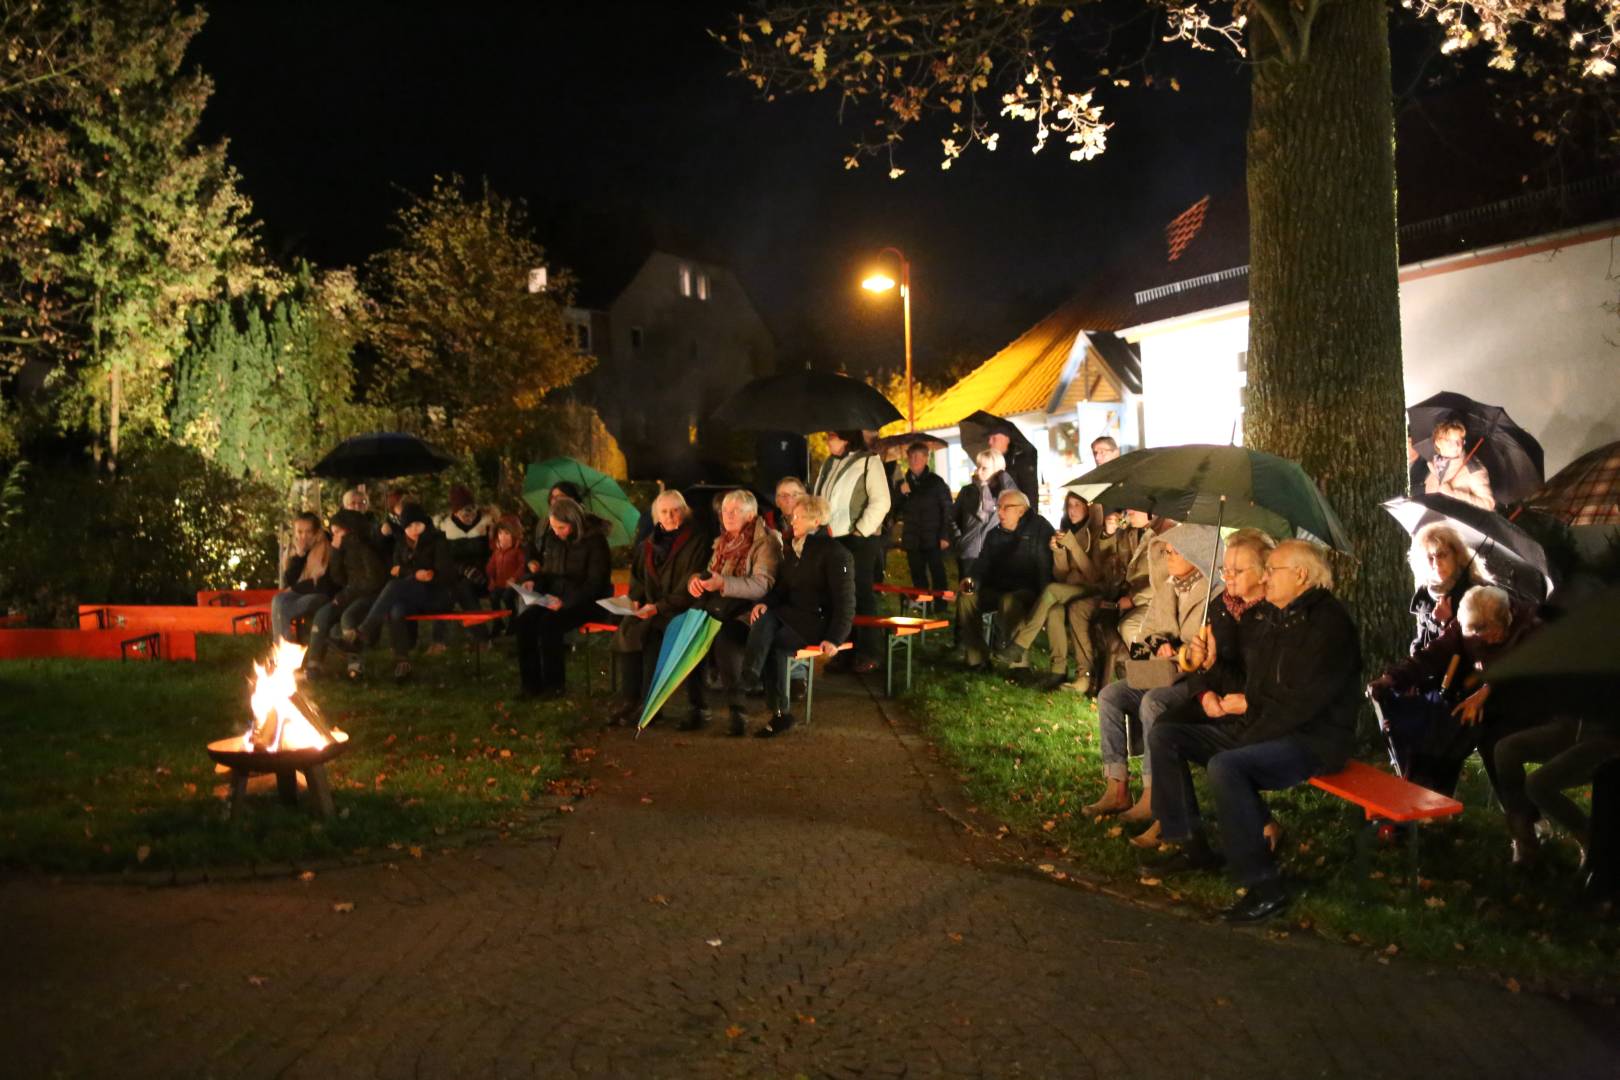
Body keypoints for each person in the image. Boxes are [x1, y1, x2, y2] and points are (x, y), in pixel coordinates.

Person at [1144, 540, 1362, 923]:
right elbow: (1256, 689)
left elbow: (1301, 705)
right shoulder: (1277, 618)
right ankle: (1189, 844)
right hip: (1269, 727)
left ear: (1301, 575)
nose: (1264, 577)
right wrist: (1210, 667)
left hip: (1313, 740)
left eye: (1271, 570)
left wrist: (1246, 734)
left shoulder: (1328, 625)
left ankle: (1264, 885)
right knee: (1167, 735)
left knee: (1227, 766)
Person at [1082, 525, 1221, 842]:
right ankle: (1117, 785)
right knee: (1110, 696)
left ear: (1197, 556)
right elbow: (1146, 638)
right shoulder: (1171, 587)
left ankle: (1153, 793)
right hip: (1164, 670)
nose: (1168, 558)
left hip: (1195, 680)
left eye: (1175, 552)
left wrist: (1181, 652)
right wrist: (1160, 646)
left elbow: (1209, 654)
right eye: (1168, 552)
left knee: (1153, 702)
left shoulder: (1213, 596)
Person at [1368, 584, 1540, 801]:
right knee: (1449, 719)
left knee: (1477, 729)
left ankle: (1520, 814)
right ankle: (1427, 793)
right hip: (1486, 700)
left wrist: (1488, 691)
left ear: (1506, 617)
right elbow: (1433, 654)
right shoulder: (1469, 622)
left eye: (1491, 634)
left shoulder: (1531, 624)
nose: (1484, 641)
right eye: (1477, 636)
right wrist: (1392, 677)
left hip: (1529, 701)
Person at [739, 495, 855, 738]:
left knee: (769, 623)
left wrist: (835, 638)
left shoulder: (837, 554)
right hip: (790, 618)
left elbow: (845, 600)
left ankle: (750, 674)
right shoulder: (793, 551)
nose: (793, 521)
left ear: (816, 520)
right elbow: (781, 589)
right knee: (770, 631)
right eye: (793, 516)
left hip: (817, 623)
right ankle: (779, 714)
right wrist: (764, 603)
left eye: (799, 516)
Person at [606, 490, 709, 725]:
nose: (671, 516)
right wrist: (635, 599)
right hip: (651, 607)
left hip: (681, 609)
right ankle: (629, 699)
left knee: (652, 636)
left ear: (685, 512)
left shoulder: (697, 541)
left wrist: (658, 607)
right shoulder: (649, 544)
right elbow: (639, 579)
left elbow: (689, 586)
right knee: (629, 629)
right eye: (664, 511)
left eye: (676, 510)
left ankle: (650, 705)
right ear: (656, 516)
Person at [684, 488, 782, 734]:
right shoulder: (722, 541)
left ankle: (738, 711)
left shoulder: (765, 542)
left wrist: (723, 584)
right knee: (690, 633)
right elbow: (710, 572)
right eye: (725, 511)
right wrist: (697, 580)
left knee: (724, 638)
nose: (728, 516)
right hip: (720, 605)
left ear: (751, 515)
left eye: (735, 511)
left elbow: (762, 584)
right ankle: (698, 707)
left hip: (749, 612)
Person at [996, 491, 1099, 687]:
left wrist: (1073, 546)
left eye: (1077, 505)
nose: (1072, 510)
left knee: (1051, 590)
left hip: (1091, 589)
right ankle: (1058, 671)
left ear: (1088, 507)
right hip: (1068, 589)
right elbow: (1062, 575)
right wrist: (1058, 552)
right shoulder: (1068, 530)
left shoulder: (1094, 532)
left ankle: (1020, 643)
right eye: (1069, 505)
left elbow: (1094, 575)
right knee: (1054, 610)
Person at [514, 496, 611, 698]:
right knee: (525, 622)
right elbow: (549, 573)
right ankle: (530, 685)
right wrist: (534, 582)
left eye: (561, 528)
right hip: (556, 597)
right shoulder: (554, 540)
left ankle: (554, 686)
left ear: (573, 523)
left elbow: (596, 583)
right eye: (553, 527)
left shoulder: (595, 542)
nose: (556, 532)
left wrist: (566, 602)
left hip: (588, 601)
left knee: (549, 624)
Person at [812, 430, 890, 673]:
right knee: (837, 594)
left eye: (831, 436)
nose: (827, 441)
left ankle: (868, 652)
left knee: (860, 592)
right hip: (832, 540)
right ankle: (844, 649)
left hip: (857, 542)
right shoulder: (829, 464)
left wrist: (860, 531)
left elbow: (881, 501)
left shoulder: (869, 461)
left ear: (846, 437)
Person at [353, 504, 455, 682]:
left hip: (435, 596)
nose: (413, 530)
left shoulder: (437, 541)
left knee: (394, 587)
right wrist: (414, 573)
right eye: (408, 526)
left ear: (425, 523)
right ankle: (402, 661)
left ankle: (365, 630)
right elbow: (394, 569)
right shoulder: (401, 544)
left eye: (417, 525)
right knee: (396, 608)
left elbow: (444, 574)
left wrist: (410, 572)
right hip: (412, 594)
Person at [957, 490, 1054, 670]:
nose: (999, 513)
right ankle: (977, 657)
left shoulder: (1040, 529)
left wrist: (1044, 603)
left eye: (1005, 508)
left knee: (1010, 601)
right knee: (966, 596)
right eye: (998, 507)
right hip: (997, 588)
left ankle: (1019, 664)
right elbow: (982, 565)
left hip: (1028, 589)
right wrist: (971, 581)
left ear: (1021, 510)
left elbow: (1045, 569)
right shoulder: (994, 533)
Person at [1059, 508, 1152, 693]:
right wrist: (1108, 533)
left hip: (1145, 601)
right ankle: (1085, 674)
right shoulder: (1129, 532)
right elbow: (1104, 560)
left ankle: (1142, 681)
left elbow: (1164, 581)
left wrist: (1134, 599)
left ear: (1151, 511)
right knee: (1078, 609)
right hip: (1116, 592)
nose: (1129, 511)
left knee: (1125, 626)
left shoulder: (1163, 537)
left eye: (1135, 508)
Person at [306, 508, 387, 677]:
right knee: (323, 614)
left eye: (337, 532)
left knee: (348, 617)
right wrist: (335, 553)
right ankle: (314, 664)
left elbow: (374, 581)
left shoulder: (365, 549)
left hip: (370, 596)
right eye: (332, 532)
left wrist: (346, 595)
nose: (334, 536)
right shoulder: (343, 549)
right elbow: (339, 579)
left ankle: (355, 665)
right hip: (350, 594)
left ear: (349, 529)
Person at [893, 442, 954, 593]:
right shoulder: (903, 483)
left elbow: (947, 509)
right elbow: (894, 508)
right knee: (917, 575)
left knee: (937, 573)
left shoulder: (936, 482)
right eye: (911, 456)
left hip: (933, 538)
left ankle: (940, 605)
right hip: (912, 538)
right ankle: (922, 605)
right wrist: (900, 494)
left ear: (926, 458)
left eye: (918, 456)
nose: (914, 460)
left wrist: (945, 535)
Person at [271, 512, 335, 644]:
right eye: (299, 532)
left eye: (308, 532)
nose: (303, 536)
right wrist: (300, 555)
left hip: (321, 594)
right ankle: (281, 648)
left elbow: (322, 585)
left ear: (317, 532)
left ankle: (284, 650)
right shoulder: (294, 548)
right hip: (301, 592)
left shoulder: (327, 546)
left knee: (283, 610)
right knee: (278, 600)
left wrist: (295, 588)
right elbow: (289, 580)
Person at [953, 449, 1018, 578]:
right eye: (978, 467)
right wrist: (959, 540)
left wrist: (1003, 476)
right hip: (970, 553)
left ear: (998, 471)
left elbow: (1015, 499)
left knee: (990, 595)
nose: (978, 471)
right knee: (968, 594)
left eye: (984, 468)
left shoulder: (1004, 493)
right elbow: (953, 518)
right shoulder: (967, 491)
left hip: (996, 554)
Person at [1423, 418, 1495, 510]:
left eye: (1459, 441)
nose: (1456, 445)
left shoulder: (1472, 467)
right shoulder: (1434, 467)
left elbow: (1488, 504)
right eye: (1449, 441)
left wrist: (1453, 494)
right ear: (1438, 442)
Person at [484, 514, 529, 629]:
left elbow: (522, 566)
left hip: (513, 584)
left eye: (507, 534)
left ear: (514, 535)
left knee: (507, 597)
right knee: (493, 597)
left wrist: (515, 578)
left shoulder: (518, 551)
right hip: (499, 584)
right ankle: (497, 623)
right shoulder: (497, 552)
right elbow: (491, 568)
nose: (502, 537)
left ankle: (513, 622)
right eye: (500, 533)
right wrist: (491, 577)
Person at [987, 425, 1038, 504]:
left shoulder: (1020, 461)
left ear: (1006, 439)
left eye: (994, 438)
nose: (990, 442)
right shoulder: (992, 463)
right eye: (989, 438)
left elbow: (1030, 494)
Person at [766, 476, 807, 546]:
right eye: (784, 495)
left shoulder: (815, 522)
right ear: (777, 501)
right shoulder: (767, 521)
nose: (789, 500)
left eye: (795, 495)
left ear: (804, 498)